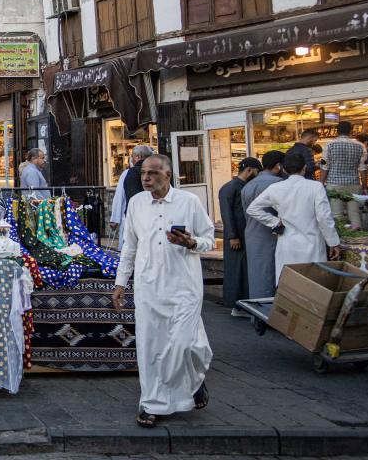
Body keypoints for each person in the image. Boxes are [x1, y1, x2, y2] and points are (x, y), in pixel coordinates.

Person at [112, 154, 213, 429]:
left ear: (167, 175)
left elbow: (209, 238)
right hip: (148, 285)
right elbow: (129, 246)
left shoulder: (188, 202)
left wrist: (192, 243)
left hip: (184, 286)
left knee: (187, 346)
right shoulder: (136, 203)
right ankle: (151, 403)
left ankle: (193, 380)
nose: (146, 178)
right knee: (151, 346)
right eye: (144, 172)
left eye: (153, 173)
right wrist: (121, 283)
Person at [246, 152, 340, 285]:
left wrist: (274, 222)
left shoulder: (276, 188)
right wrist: (333, 242)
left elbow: (253, 209)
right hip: (312, 244)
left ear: (283, 169)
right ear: (304, 168)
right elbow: (324, 217)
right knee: (313, 285)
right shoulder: (315, 187)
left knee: (290, 286)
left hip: (287, 244)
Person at [217, 157, 262, 312]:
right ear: (249, 170)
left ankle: (241, 303)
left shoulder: (240, 186)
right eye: (256, 171)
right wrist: (232, 236)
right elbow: (226, 213)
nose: (257, 174)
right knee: (236, 270)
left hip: (243, 234)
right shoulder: (230, 187)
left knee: (242, 269)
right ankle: (235, 304)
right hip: (236, 236)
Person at [241, 151, 286, 299]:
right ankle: (267, 313)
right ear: (278, 166)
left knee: (255, 274)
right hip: (270, 235)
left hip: (251, 234)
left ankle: (256, 311)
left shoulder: (247, 185)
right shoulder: (278, 184)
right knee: (270, 275)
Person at [110, 145, 153, 232]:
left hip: (133, 218)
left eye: (132, 156)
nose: (131, 159)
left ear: (138, 157)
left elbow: (120, 196)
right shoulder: (157, 172)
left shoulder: (128, 173)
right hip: (152, 218)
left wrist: (115, 219)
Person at [323, 121, 364, 191]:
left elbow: (325, 166)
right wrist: (365, 186)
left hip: (334, 185)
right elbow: (363, 168)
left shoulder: (329, 145)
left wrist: (321, 182)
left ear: (337, 131)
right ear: (351, 131)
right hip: (354, 184)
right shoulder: (360, 146)